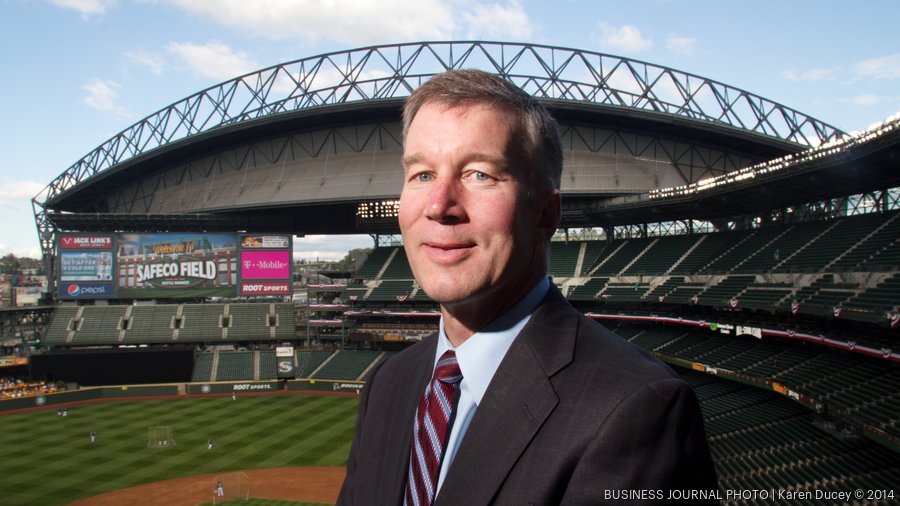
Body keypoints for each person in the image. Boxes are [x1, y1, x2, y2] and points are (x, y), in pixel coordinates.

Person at [337, 69, 718, 505]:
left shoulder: (638, 409)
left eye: (479, 174)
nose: (439, 205)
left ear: (545, 216)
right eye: (422, 174)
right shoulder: (389, 382)